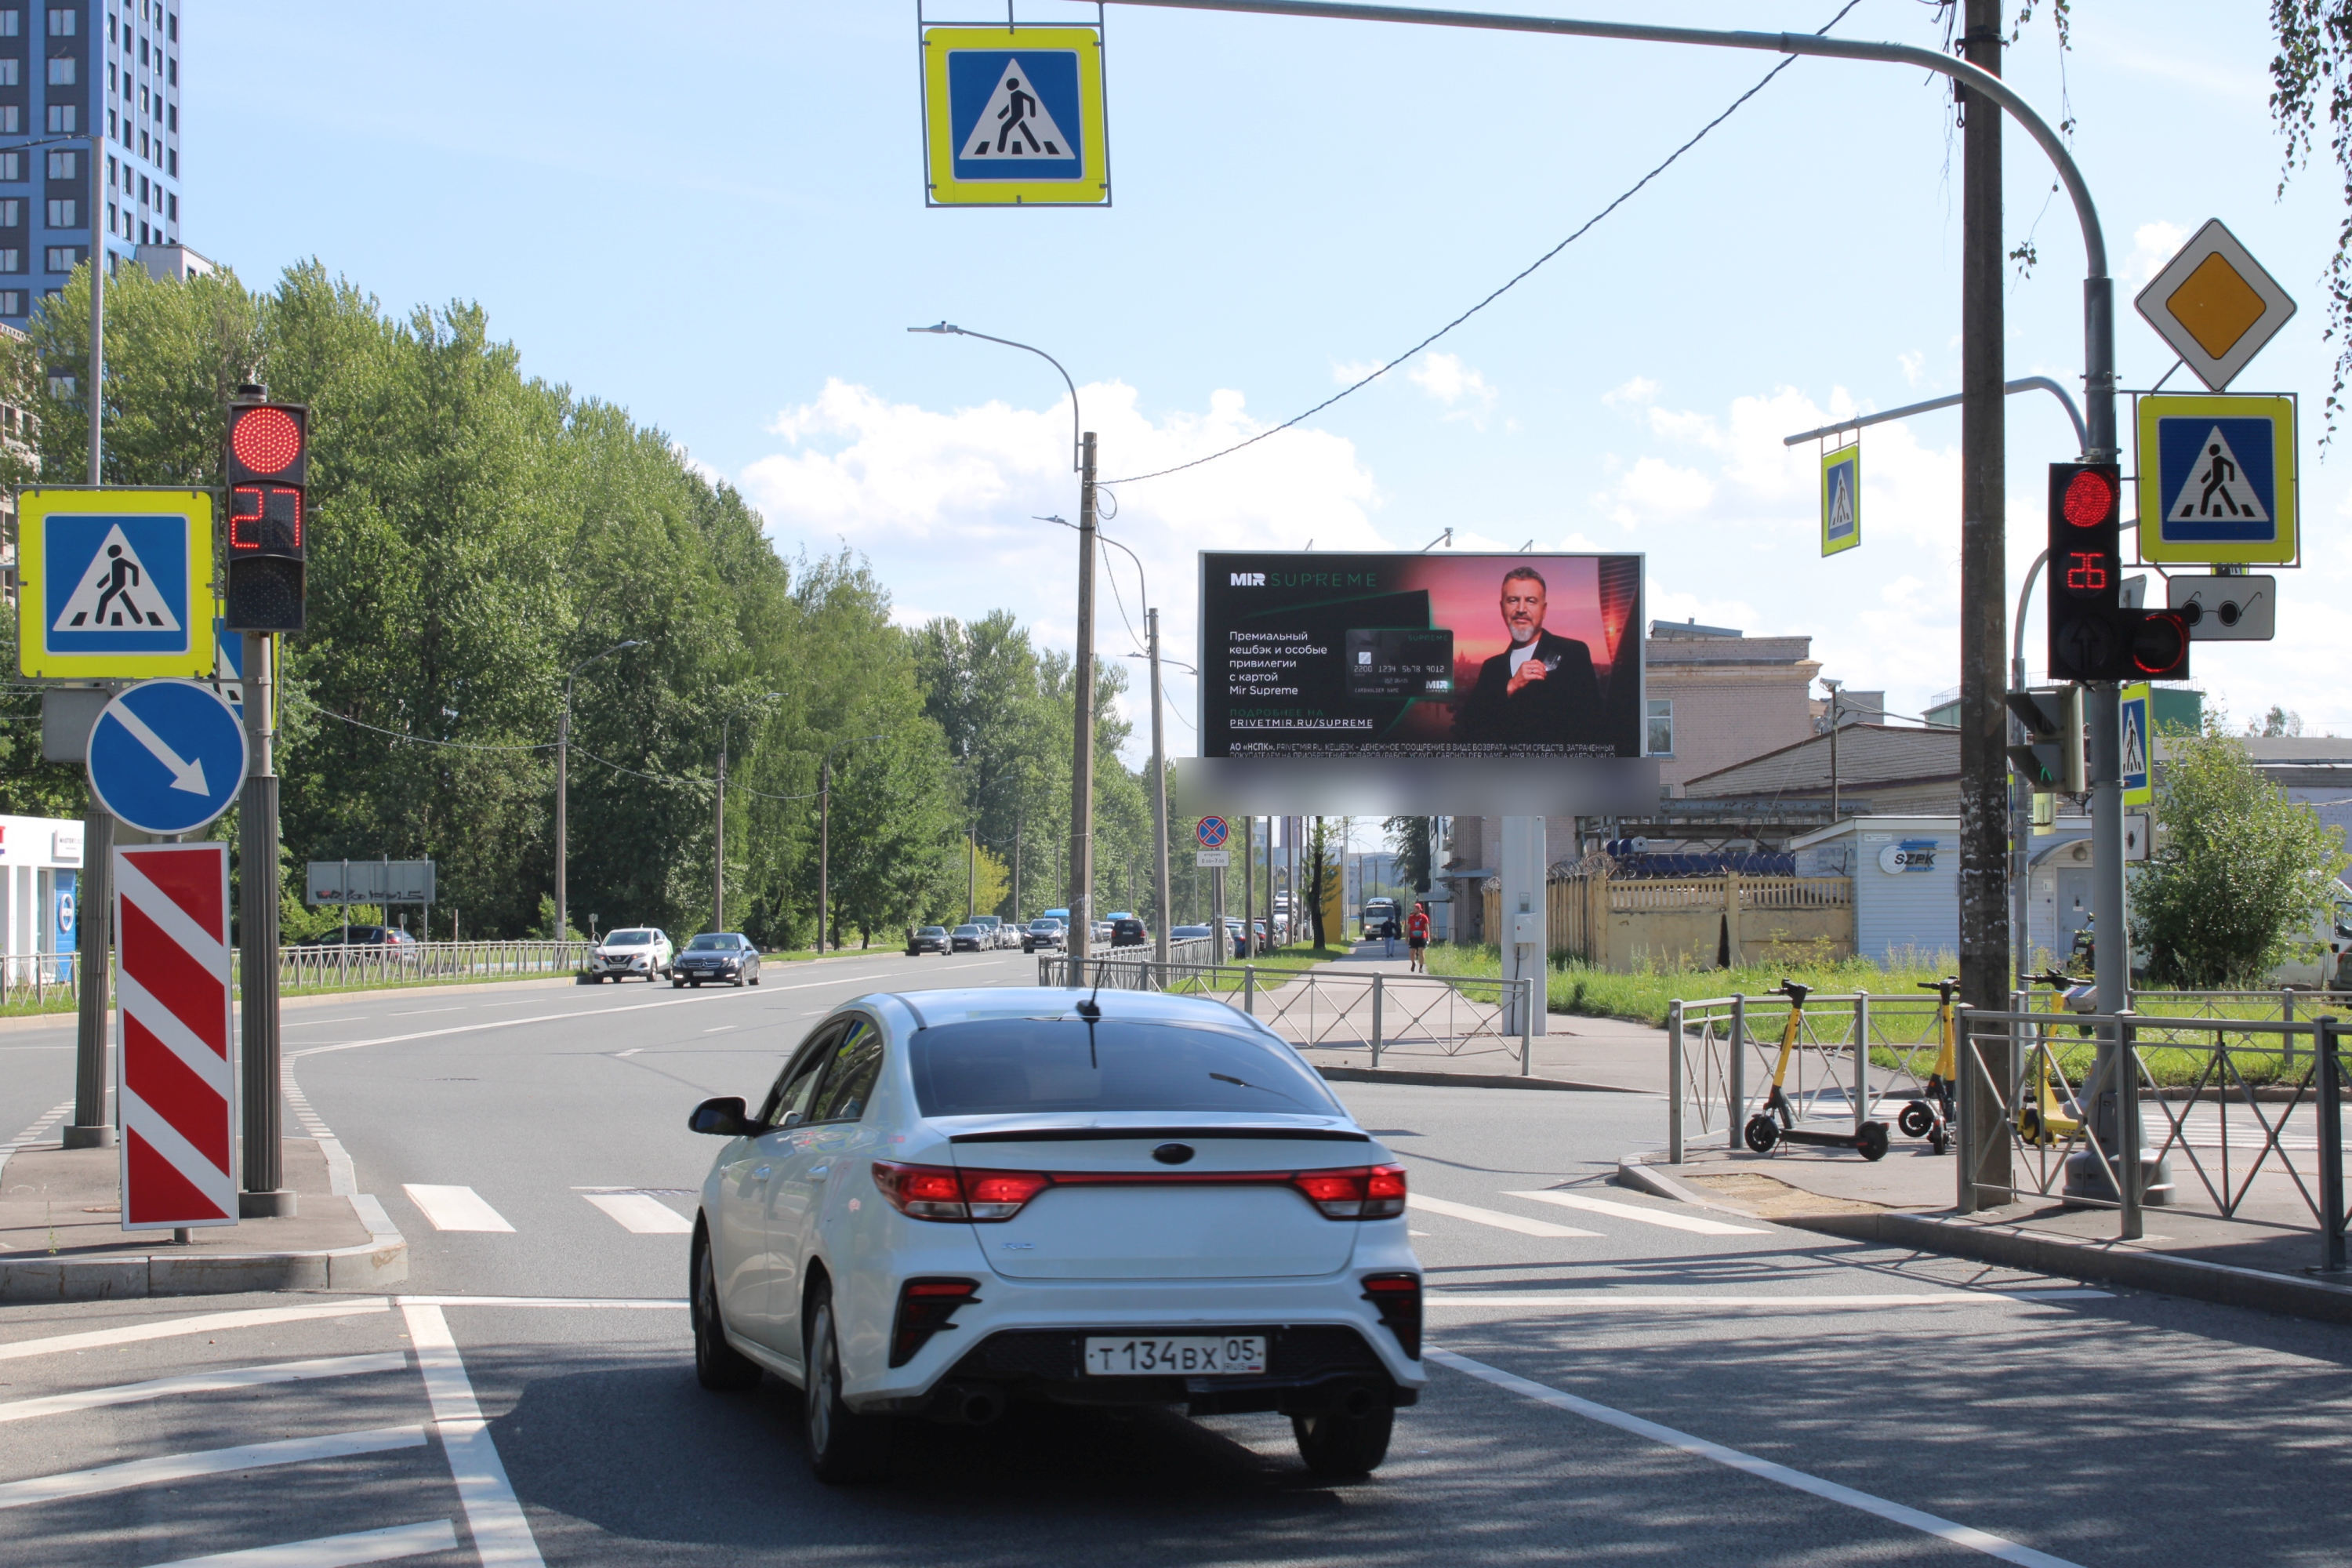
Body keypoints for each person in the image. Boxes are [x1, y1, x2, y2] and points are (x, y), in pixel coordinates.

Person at [1451, 565, 1602, 746]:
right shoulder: (1491, 668)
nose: (1521, 609)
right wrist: (1511, 687)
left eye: (1531, 601)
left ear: (1544, 610)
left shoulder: (1573, 653)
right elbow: (1469, 729)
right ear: (1502, 608)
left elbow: (1592, 729)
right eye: (1513, 600)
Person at [1406, 902, 1430, 973]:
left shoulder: (1424, 917)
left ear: (1419, 909)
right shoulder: (1411, 917)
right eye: (1414, 908)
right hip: (1413, 937)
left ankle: (1421, 967)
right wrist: (1407, 937)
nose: (1414, 910)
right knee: (1411, 952)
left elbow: (1427, 927)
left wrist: (1428, 937)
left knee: (1421, 952)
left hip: (1422, 937)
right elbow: (1408, 927)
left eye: (1415, 908)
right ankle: (1413, 963)